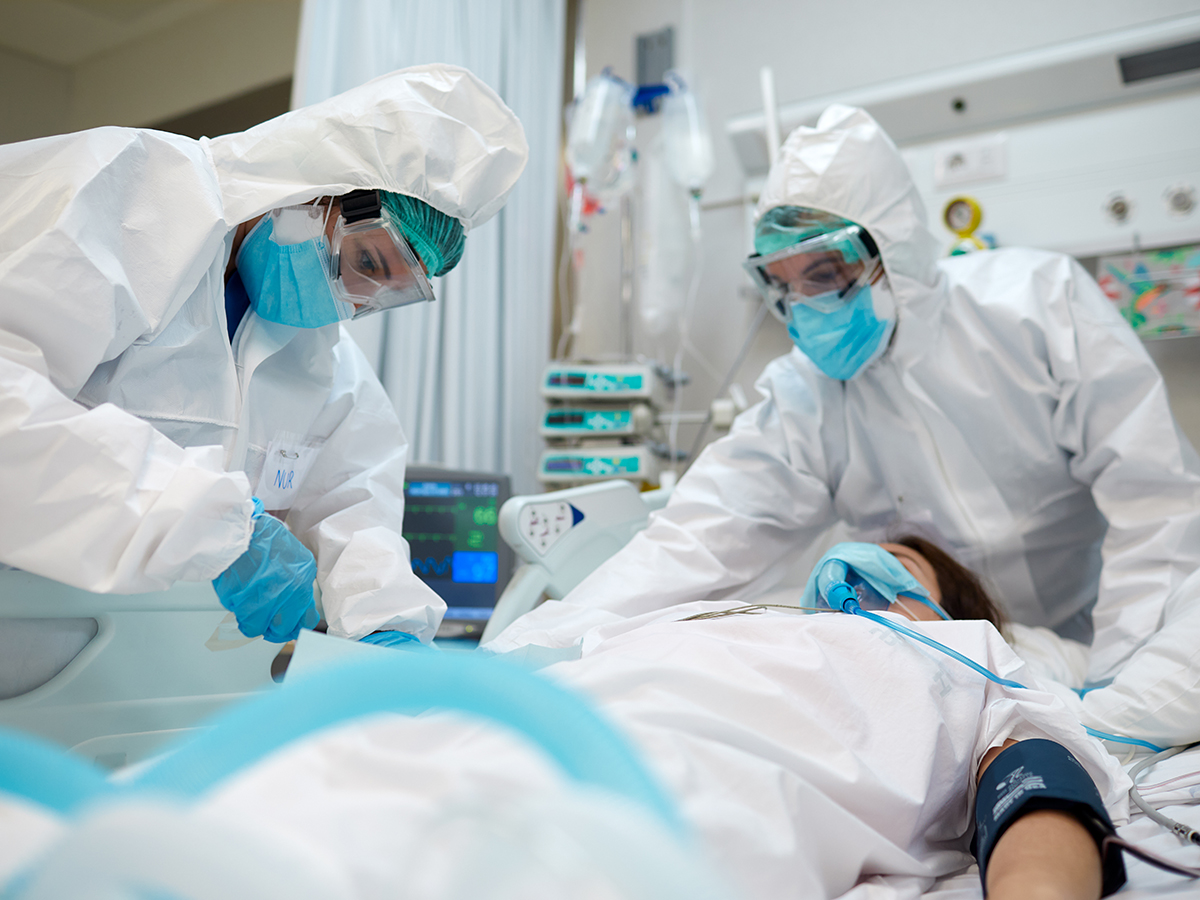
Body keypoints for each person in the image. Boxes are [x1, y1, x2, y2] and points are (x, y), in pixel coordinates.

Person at [497, 104, 1200, 744]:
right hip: (947, 677)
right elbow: (691, 546)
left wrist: (1119, 694)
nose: (806, 303)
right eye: (785, 280)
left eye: (827, 272)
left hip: (1094, 639)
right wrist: (521, 656)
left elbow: (1156, 504)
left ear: (891, 250)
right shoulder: (804, 398)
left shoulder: (1039, 309)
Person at [177, 539, 1128, 900]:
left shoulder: (971, 657)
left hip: (660, 808)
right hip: (480, 754)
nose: (848, 578)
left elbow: (1035, 788)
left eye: (890, 570)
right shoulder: (715, 617)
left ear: (949, 603)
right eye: (841, 563)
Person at [0, 64, 528, 646]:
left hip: (115, 654)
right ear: (316, 188)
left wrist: (387, 625)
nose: (353, 304)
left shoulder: (321, 355)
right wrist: (211, 524)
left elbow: (355, 502)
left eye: (387, 293)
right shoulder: (124, 195)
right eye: (368, 263)